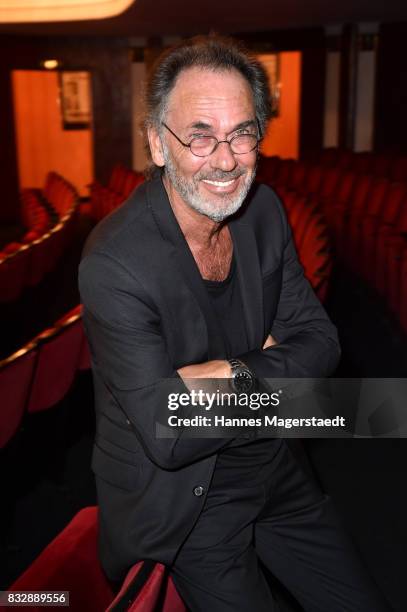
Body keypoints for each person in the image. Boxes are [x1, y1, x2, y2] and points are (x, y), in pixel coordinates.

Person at [78, 35, 391, 611]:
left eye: (242, 132)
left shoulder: (264, 212)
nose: (225, 158)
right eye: (199, 134)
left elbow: (323, 345)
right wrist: (280, 376)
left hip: (276, 465)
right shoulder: (115, 262)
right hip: (187, 503)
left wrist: (229, 372)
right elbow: (168, 435)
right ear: (157, 143)